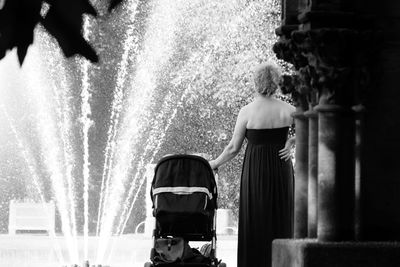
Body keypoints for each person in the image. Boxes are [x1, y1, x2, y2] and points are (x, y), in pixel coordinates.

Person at [208, 62, 295, 267]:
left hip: (255, 170)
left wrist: (214, 163)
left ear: (256, 83)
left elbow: (233, 148)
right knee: (280, 215)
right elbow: (311, 127)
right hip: (281, 168)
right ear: (276, 83)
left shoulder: (247, 111)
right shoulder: (289, 110)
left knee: (256, 216)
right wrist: (292, 141)